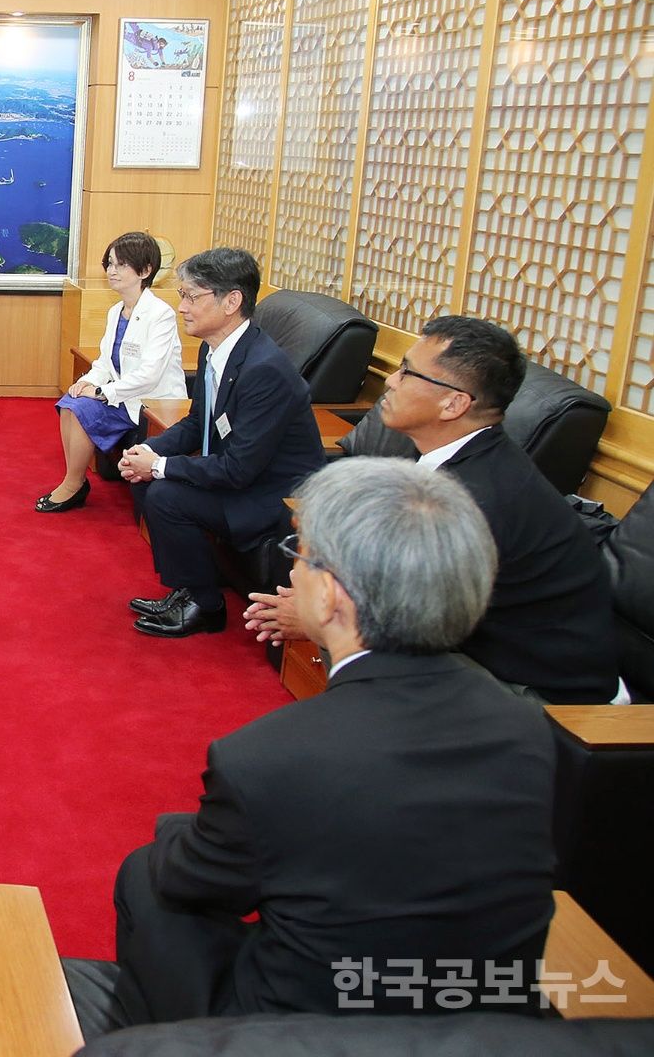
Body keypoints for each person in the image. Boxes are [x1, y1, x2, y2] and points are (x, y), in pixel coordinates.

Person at [96, 459, 554, 1030]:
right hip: (482, 1011)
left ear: (332, 595)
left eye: (300, 555)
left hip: (309, 1027)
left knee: (145, 874)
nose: (291, 573)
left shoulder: (265, 758)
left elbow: (193, 880)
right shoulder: (529, 727)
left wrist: (175, 830)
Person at [247, 315, 622, 704]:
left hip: (538, 693)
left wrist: (316, 618)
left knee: (343, 630)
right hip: (478, 646)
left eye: (407, 372)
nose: (390, 380)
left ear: (454, 403)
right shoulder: (447, 456)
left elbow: (411, 620)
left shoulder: (478, 499)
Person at [117, 247, 323, 638]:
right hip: (239, 473)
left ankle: (206, 606)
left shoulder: (264, 370)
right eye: (182, 296)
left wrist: (159, 467)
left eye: (192, 296)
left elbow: (240, 467)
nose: (182, 307)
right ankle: (188, 588)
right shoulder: (215, 348)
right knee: (146, 481)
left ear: (232, 301)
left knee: (164, 494)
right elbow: (198, 423)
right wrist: (151, 452)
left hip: (274, 492)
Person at [36, 231, 186, 513]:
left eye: (120, 265)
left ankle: (72, 485)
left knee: (83, 409)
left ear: (145, 270)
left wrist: (104, 392)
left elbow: (150, 374)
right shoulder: (116, 310)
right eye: (109, 264)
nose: (111, 271)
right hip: (123, 396)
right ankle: (76, 482)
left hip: (150, 401)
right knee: (70, 402)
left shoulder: (160, 314)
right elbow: (106, 361)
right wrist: (88, 382)